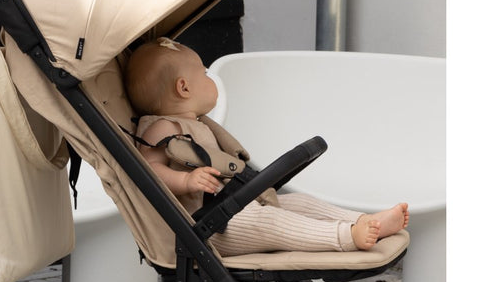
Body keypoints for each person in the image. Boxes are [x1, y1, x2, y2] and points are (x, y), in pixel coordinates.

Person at [124, 38, 408, 255]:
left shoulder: (197, 124)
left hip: (231, 209)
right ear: (184, 88)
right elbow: (148, 170)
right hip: (209, 227)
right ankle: (346, 236)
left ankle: (366, 221)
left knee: (298, 203)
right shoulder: (163, 128)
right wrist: (185, 181)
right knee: (271, 221)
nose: (210, 78)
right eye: (205, 73)